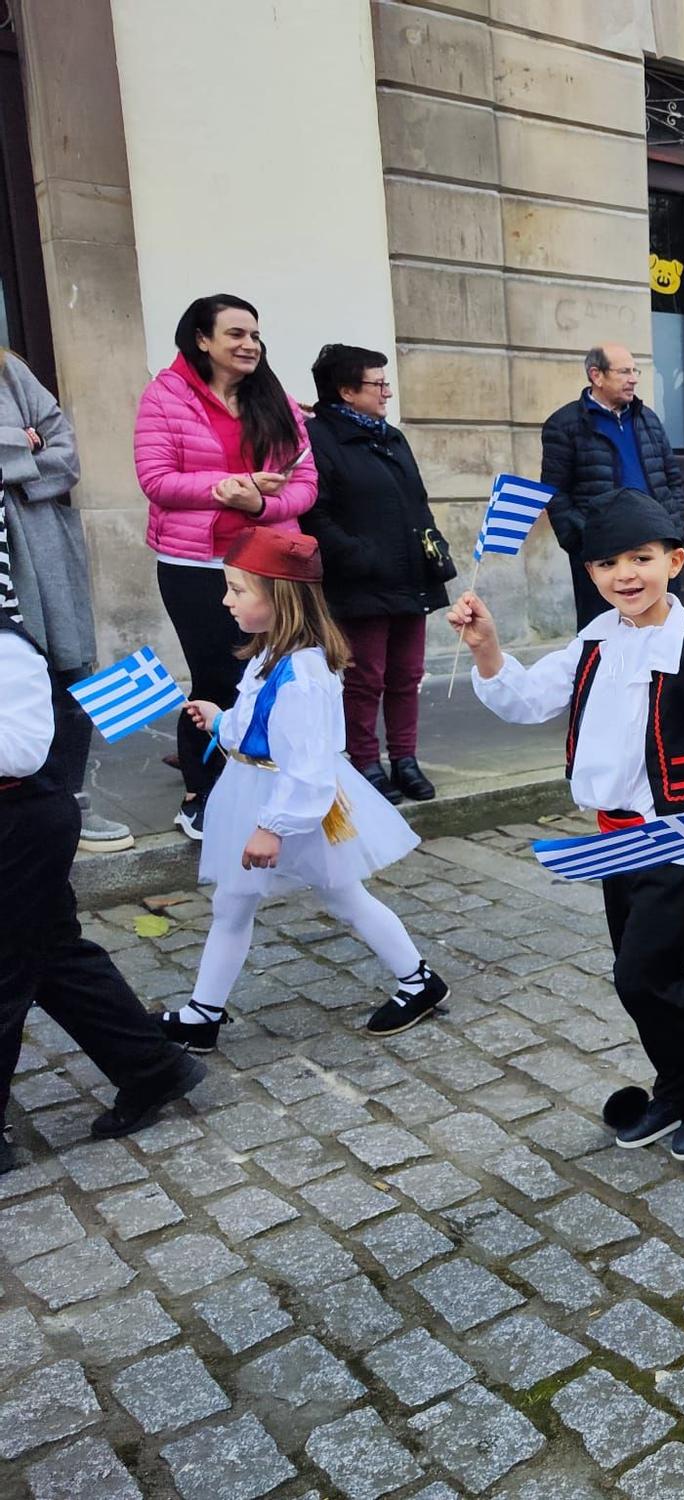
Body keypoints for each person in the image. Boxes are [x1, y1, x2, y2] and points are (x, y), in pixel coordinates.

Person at [452, 490, 684, 1157]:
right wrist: (487, 648)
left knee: (646, 975)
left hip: (678, 835)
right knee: (635, 970)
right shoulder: (594, 641)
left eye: (640, 558)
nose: (625, 574)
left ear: (673, 561)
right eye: (607, 563)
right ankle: (678, 1084)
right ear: (590, 574)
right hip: (614, 838)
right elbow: (531, 699)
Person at [156, 529, 443, 1052]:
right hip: (261, 791)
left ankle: (417, 980)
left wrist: (273, 829)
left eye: (238, 590)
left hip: (289, 804)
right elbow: (258, 728)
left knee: (340, 894)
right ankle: (203, 1013)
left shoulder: (303, 676)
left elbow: (308, 769)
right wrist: (220, 722)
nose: (226, 600)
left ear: (280, 598)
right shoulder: (271, 657)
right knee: (236, 902)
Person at [0, 615, 207, 1170]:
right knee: (55, 955)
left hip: (22, 820)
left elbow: (20, 753)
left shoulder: (7, 647)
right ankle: (152, 1068)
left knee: (8, 969)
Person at [136, 294, 318, 842]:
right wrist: (224, 490)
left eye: (255, 336)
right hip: (194, 563)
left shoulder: (276, 400)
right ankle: (202, 791)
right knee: (217, 673)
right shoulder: (164, 396)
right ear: (201, 339)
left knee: (269, 674)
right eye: (236, 334)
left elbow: (305, 484)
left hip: (266, 558)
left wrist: (259, 505)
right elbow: (156, 479)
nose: (249, 345)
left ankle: (264, 786)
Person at [301, 344, 449, 806]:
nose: (387, 391)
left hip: (411, 573)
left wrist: (434, 544)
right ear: (346, 390)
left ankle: (405, 758)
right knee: (365, 678)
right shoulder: (318, 438)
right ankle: (365, 759)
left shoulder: (392, 437)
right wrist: (357, 556)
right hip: (361, 581)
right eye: (377, 383)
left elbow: (417, 499)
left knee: (408, 675)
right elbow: (315, 513)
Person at [0, 348, 131, 853]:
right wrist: (20, 444)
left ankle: (73, 804)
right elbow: (38, 450)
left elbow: (65, 452)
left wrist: (16, 461)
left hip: (40, 546)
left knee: (69, 680)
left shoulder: (10, 371)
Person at [541, 344, 684, 631]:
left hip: (655, 543)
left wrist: (675, 528)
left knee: (662, 629)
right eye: (624, 372)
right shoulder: (566, 424)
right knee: (606, 634)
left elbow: (671, 478)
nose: (633, 378)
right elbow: (554, 493)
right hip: (603, 550)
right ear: (596, 375)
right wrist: (583, 540)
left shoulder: (648, 419)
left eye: (635, 371)